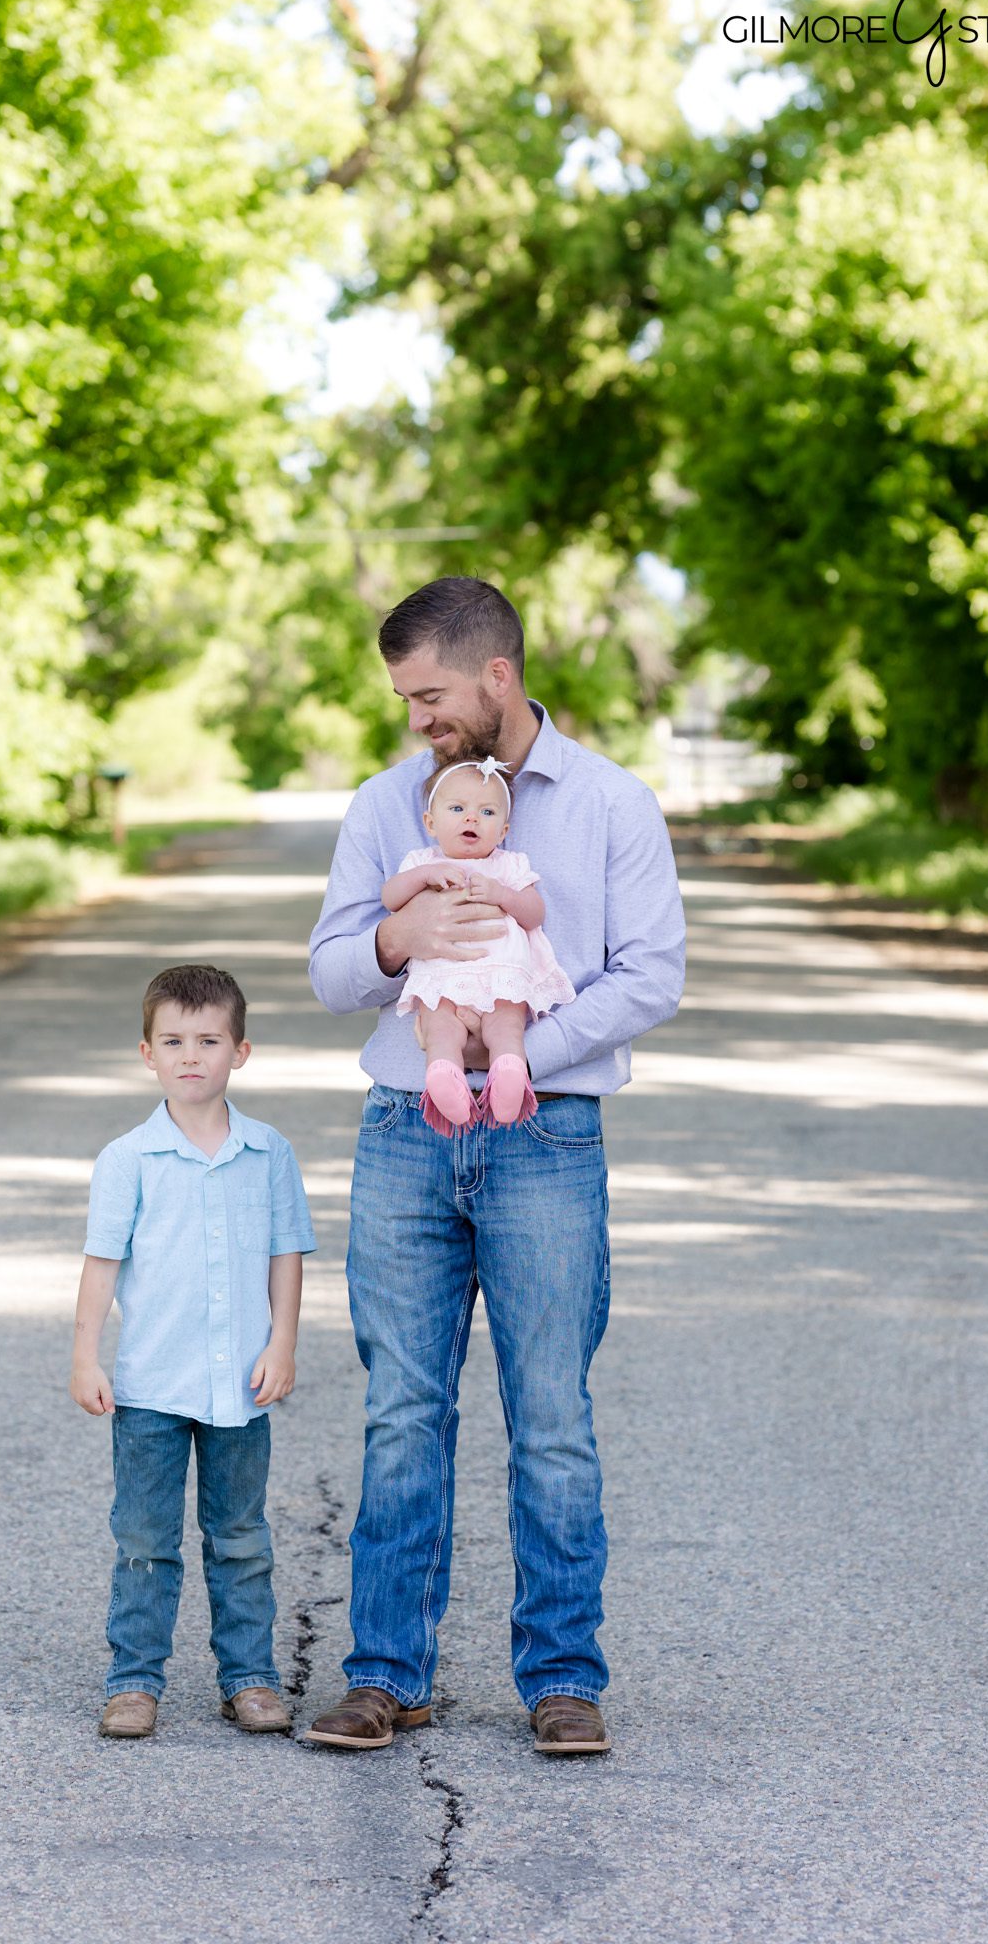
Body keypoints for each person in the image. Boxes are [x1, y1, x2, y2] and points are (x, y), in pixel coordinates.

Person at [304, 576, 685, 1755]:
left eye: (430, 694)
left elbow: (651, 974)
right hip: (405, 1132)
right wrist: (395, 937)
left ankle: (563, 1677)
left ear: (498, 677)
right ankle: (386, 1674)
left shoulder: (613, 803)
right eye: (407, 699)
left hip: (545, 1136)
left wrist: (517, 1060)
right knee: (402, 1410)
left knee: (552, 1415)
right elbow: (329, 968)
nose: (417, 717)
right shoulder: (385, 803)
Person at [70, 962, 314, 1741]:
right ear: (147, 1053)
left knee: (240, 1539)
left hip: (240, 1384)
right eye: (173, 1041)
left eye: (208, 1041)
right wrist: (86, 1357)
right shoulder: (128, 1159)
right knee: (144, 1540)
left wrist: (282, 1342)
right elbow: (101, 1265)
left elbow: (285, 1255)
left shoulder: (268, 1152)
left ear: (240, 1052)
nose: (190, 1056)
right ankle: (134, 1682)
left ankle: (249, 1679)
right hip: (150, 1386)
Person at [384, 752, 575, 1135]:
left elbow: (534, 914)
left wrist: (502, 894)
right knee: (439, 1028)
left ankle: (509, 1074)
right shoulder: (422, 862)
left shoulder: (508, 865)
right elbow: (390, 899)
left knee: (506, 1027)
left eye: (487, 812)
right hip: (442, 977)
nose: (472, 818)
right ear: (431, 823)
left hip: (501, 974)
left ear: (503, 831)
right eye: (457, 808)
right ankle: (443, 1077)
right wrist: (424, 876)